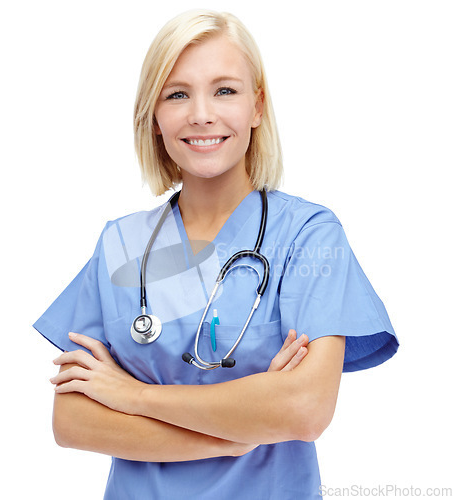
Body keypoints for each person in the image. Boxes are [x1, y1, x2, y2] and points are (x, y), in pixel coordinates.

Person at [34, 9, 399, 499]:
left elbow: (305, 409)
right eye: (177, 93)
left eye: (224, 90)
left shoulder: (309, 236)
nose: (201, 113)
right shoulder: (120, 244)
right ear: (155, 118)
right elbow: (73, 421)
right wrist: (235, 433)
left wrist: (132, 395)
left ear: (257, 107)